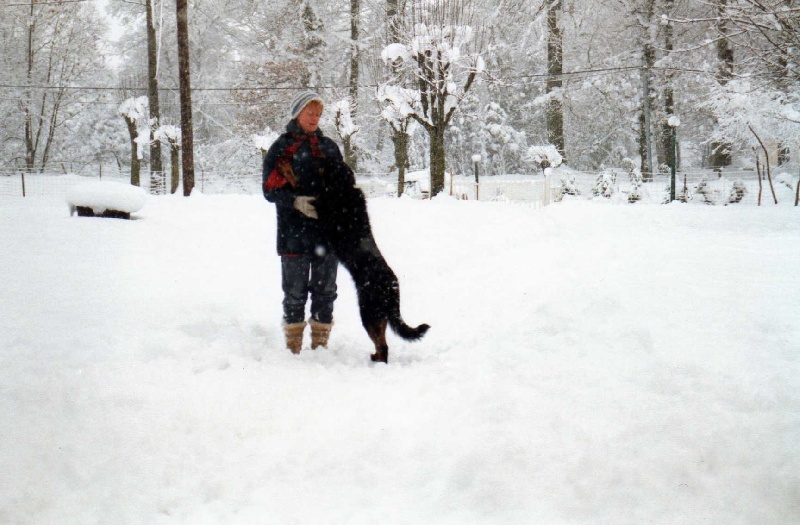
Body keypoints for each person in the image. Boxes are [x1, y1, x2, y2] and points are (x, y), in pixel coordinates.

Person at [262, 90, 344, 354]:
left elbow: (343, 185)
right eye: (310, 112)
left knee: (326, 292)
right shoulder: (281, 148)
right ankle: (293, 346)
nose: (315, 118)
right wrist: (294, 201)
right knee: (295, 293)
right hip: (293, 233)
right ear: (297, 113)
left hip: (326, 233)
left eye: (318, 114)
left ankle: (320, 345)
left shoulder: (329, 147)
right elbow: (269, 189)